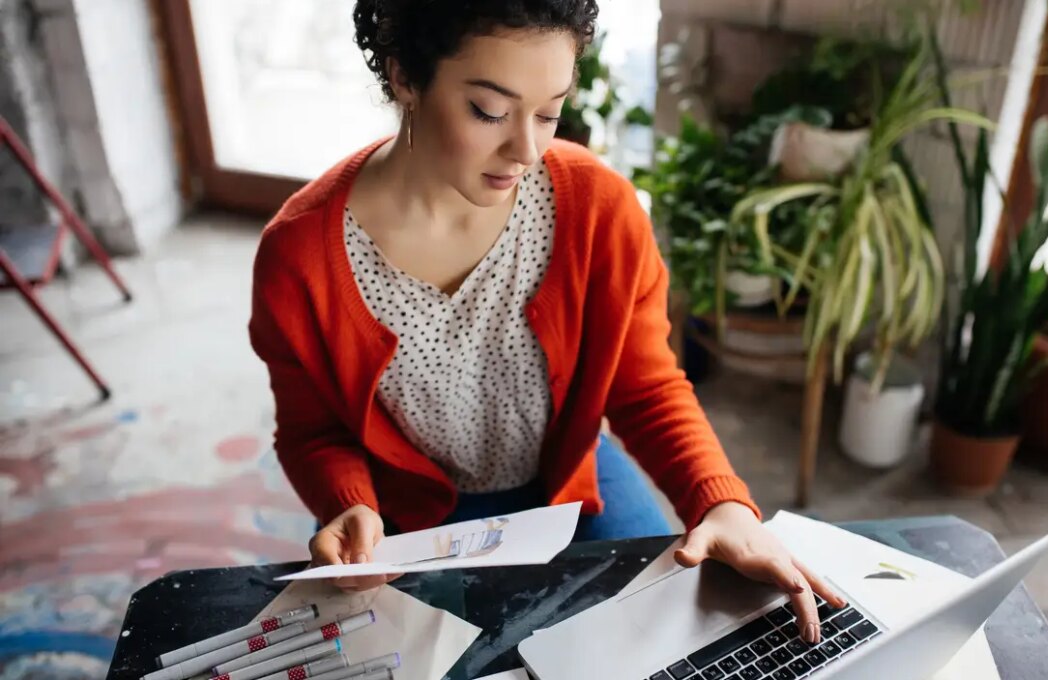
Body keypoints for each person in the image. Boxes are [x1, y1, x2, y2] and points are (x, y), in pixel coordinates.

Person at [247, 0, 843, 643]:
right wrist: (349, 502)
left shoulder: (597, 207)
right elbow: (312, 431)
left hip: (568, 477)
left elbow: (645, 385)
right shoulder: (300, 257)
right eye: (490, 111)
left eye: (551, 112)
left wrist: (720, 500)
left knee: (661, 639)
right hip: (412, 519)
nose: (526, 149)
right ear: (405, 77)